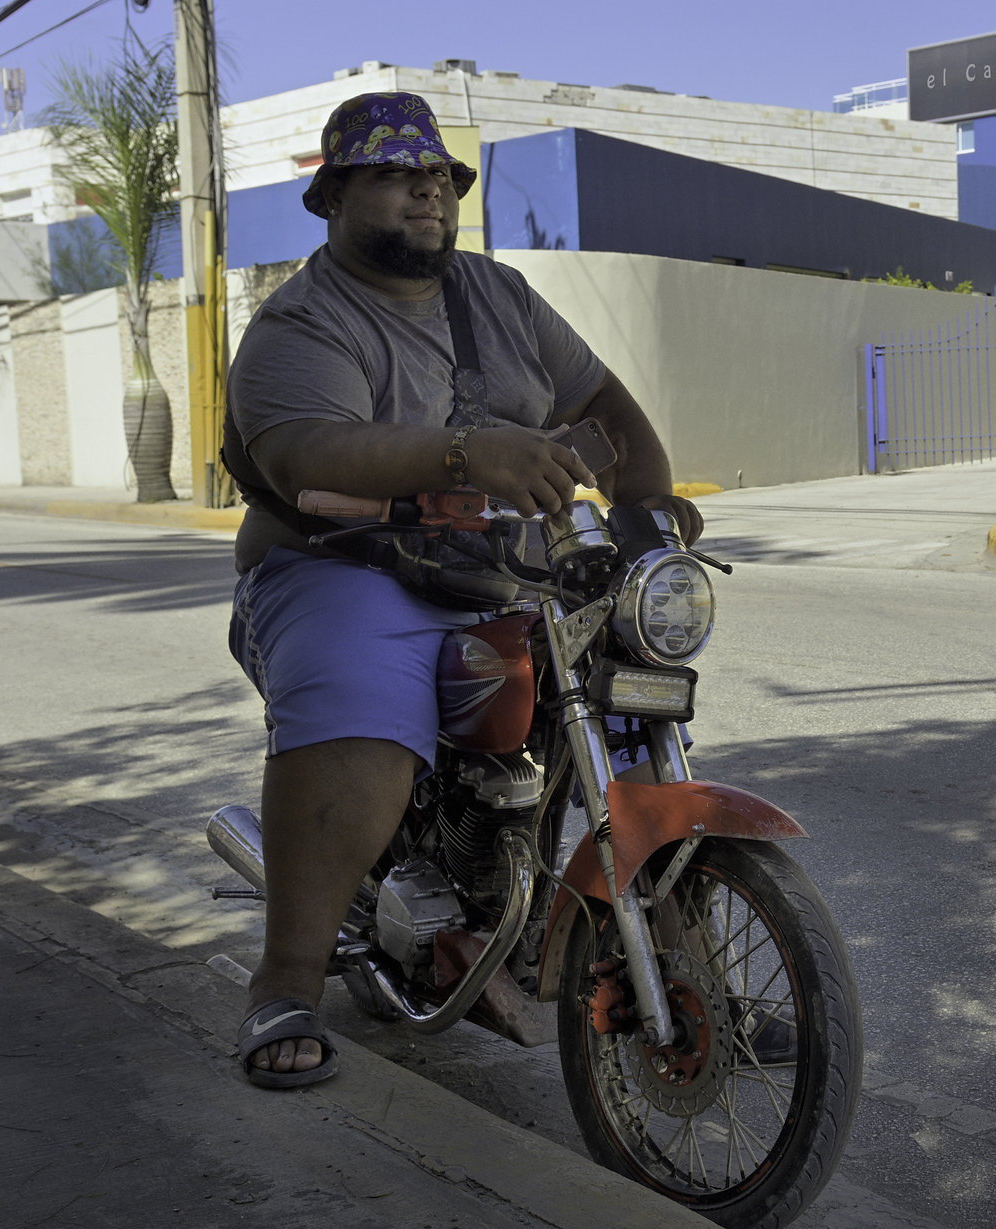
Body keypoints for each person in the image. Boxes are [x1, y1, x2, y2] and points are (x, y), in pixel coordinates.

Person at [221, 93, 700, 1087]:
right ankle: (287, 978)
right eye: (399, 173)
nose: (428, 186)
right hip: (339, 562)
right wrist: (463, 453)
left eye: (438, 173)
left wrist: (649, 506)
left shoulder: (500, 294)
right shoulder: (299, 323)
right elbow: (309, 449)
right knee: (361, 718)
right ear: (335, 196)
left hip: (499, 563)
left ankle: (675, 959)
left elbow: (600, 406)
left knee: (622, 689)